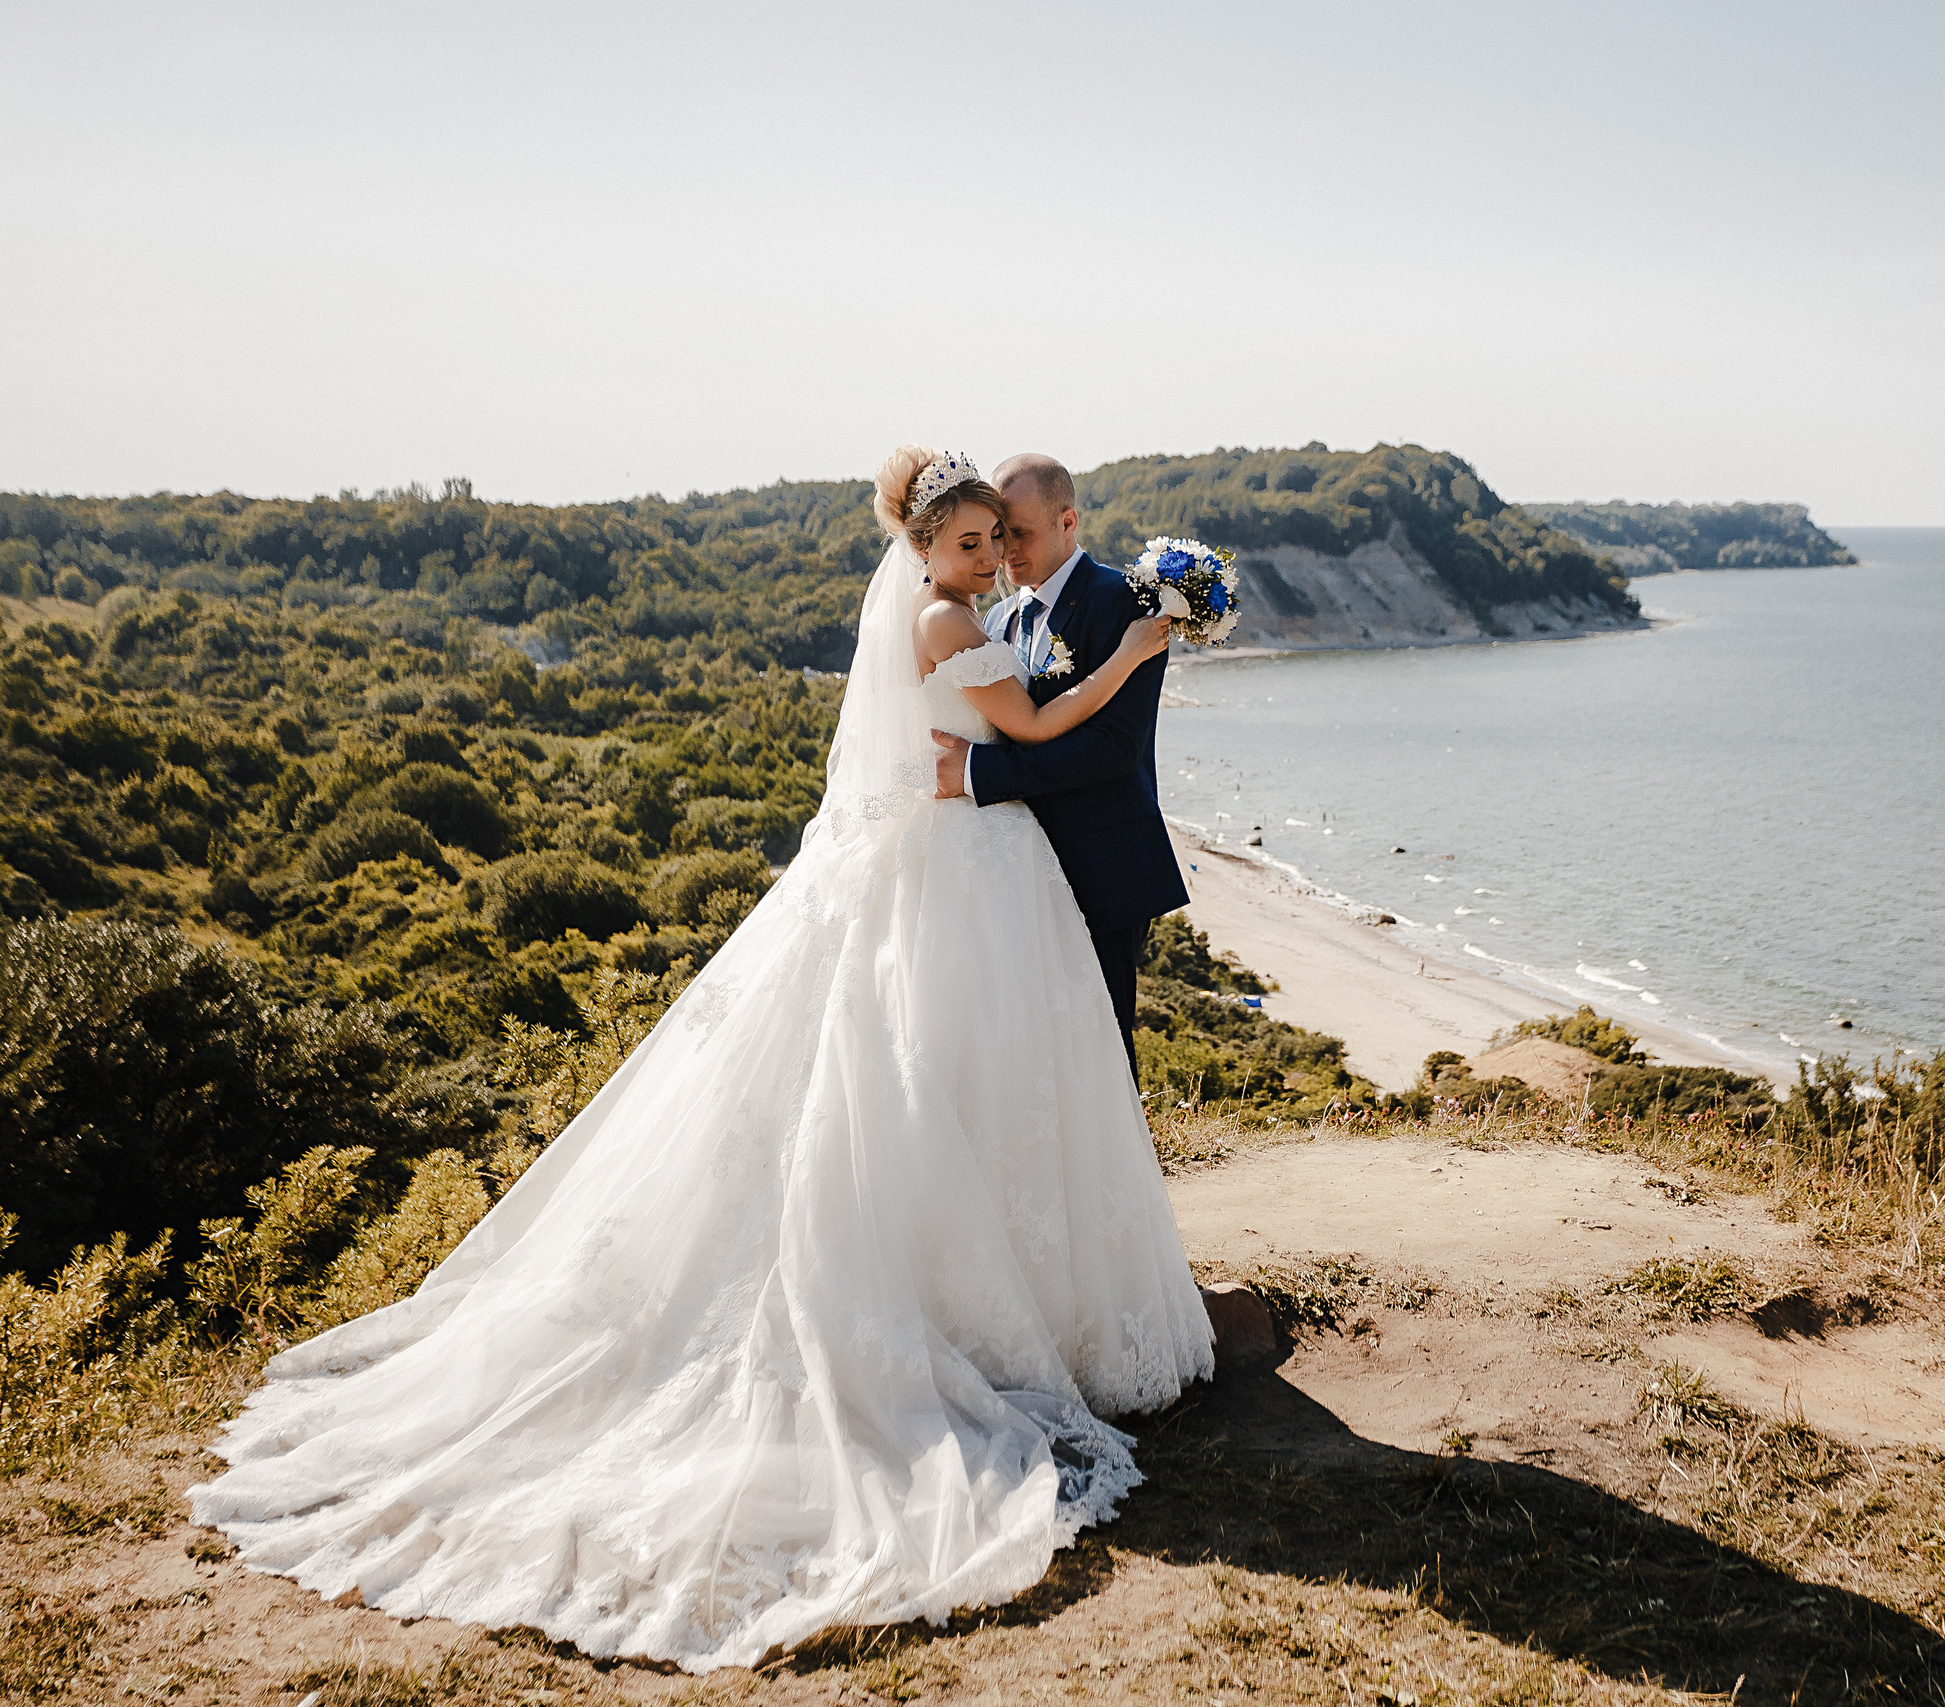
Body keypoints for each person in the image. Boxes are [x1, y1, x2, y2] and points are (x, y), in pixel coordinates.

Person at [189, 446, 1217, 1674]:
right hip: (968, 874)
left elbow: (1031, 736)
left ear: (1036, 529)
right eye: (970, 542)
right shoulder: (957, 621)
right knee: (950, 1076)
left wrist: (1061, 684)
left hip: (981, 871)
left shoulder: (972, 608)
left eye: (1000, 538)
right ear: (924, 548)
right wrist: (1128, 658)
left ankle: (1022, 1305)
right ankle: (985, 1318)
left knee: (978, 1085)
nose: (991, 558)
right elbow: (1043, 721)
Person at [933, 453, 1190, 1079]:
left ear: (1067, 520)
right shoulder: (996, 617)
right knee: (1038, 1052)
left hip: (1103, 862)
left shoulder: (1123, 601)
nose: (1004, 551)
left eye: (1018, 532)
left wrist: (978, 774)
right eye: (996, 534)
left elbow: (1113, 748)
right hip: (1020, 870)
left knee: (1100, 1050)